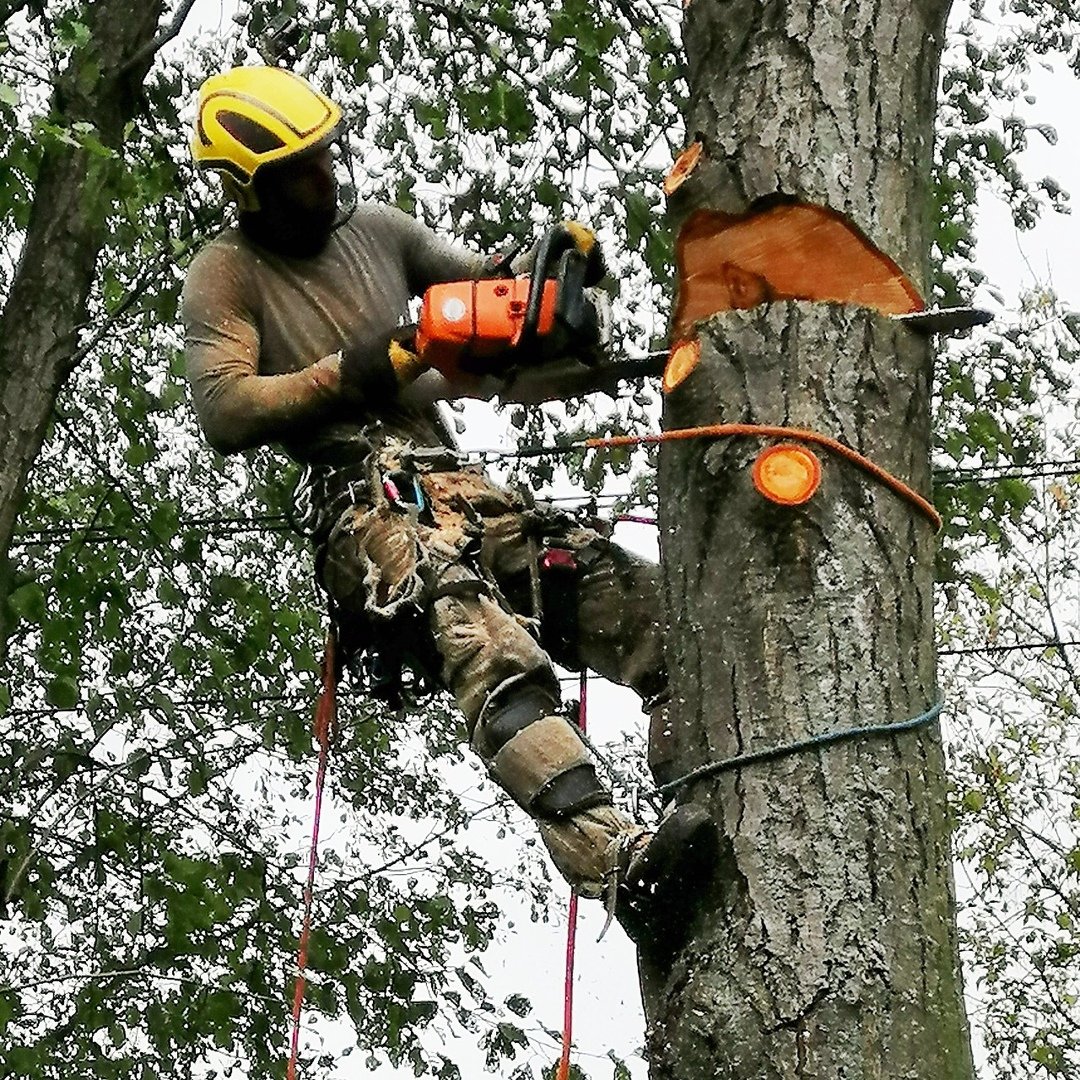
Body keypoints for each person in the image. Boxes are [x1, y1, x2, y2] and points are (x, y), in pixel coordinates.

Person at [181, 65, 713, 941]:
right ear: (249, 187)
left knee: (646, 605)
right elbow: (227, 407)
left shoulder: (381, 230)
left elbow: (478, 293)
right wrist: (352, 369)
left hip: (461, 484)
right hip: (365, 504)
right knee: (481, 641)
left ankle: (707, 783)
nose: (323, 179)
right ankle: (620, 870)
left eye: (324, 157)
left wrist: (546, 287)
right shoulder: (226, 274)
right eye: (298, 171)